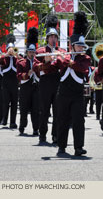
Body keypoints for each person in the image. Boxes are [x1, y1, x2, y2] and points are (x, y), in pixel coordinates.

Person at [55, 11, 91, 156]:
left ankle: (78, 147)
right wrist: (45, 62)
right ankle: (61, 146)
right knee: (62, 119)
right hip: (63, 93)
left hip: (77, 93)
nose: (81, 48)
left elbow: (82, 68)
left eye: (82, 46)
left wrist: (67, 60)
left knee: (78, 120)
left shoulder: (85, 58)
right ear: (73, 46)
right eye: (79, 46)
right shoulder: (62, 56)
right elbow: (53, 66)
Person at [33, 14, 67, 144]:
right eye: (51, 37)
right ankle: (42, 135)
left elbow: (65, 65)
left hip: (58, 81)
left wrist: (62, 58)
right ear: (47, 38)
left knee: (58, 111)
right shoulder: (41, 51)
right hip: (45, 82)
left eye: (55, 37)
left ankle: (55, 135)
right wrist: (46, 62)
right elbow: (36, 67)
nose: (53, 39)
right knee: (44, 110)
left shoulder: (61, 50)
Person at [16, 27, 40, 135]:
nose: (32, 54)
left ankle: (36, 128)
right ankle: (22, 127)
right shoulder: (21, 63)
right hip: (25, 88)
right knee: (24, 109)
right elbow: (18, 75)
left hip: (35, 88)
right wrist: (27, 74)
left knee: (36, 109)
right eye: (30, 52)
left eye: (33, 52)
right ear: (27, 52)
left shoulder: (38, 62)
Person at [0, 34, 19, 128]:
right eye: (10, 49)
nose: (11, 50)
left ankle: (13, 121)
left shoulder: (17, 58)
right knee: (5, 101)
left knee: (14, 102)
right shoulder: (4, 57)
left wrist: (16, 55)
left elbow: (22, 61)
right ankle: (4, 119)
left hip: (14, 82)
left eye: (13, 48)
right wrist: (7, 54)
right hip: (6, 82)